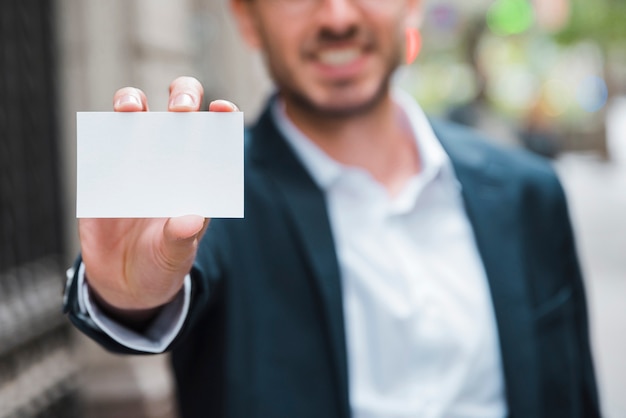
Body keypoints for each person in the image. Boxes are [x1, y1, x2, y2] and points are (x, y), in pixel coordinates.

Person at [64, 0, 601, 417]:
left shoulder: (528, 193)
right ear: (248, 20)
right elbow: (158, 279)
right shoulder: (215, 185)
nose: (338, 17)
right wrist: (124, 295)